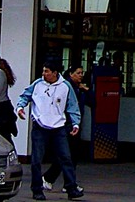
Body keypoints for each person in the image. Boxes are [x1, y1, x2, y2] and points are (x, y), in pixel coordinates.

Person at [16, 59, 84, 201]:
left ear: (55, 73)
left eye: (47, 71)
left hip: (58, 127)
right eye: (43, 71)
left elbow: (72, 105)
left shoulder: (65, 86)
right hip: (40, 126)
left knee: (66, 157)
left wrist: (75, 123)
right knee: (36, 159)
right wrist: (20, 107)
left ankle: (71, 187)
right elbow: (25, 96)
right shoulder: (37, 84)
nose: (44, 74)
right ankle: (37, 189)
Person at [43, 64, 89, 193]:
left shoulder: (78, 88)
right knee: (66, 154)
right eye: (78, 73)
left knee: (72, 155)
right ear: (71, 74)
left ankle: (68, 183)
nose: (81, 75)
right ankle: (51, 178)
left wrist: (86, 90)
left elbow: (92, 101)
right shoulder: (66, 87)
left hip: (74, 124)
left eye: (82, 73)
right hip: (67, 124)